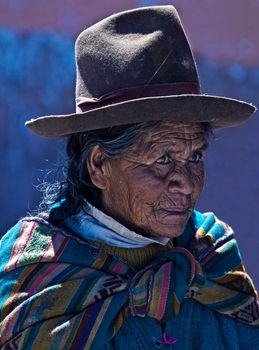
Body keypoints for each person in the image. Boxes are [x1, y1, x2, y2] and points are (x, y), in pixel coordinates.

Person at [0, 5, 258, 350]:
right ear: (99, 166)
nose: (187, 182)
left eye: (195, 156)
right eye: (162, 159)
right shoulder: (35, 280)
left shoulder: (213, 258)